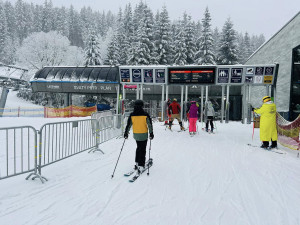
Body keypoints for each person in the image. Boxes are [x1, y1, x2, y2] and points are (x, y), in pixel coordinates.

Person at [124, 100, 154, 175]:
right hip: (143, 134)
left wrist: (126, 133)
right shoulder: (145, 114)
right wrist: (151, 133)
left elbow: (128, 125)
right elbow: (149, 124)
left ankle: (137, 162)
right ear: (142, 105)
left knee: (138, 147)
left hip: (136, 134)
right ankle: (141, 164)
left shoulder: (132, 114)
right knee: (143, 149)